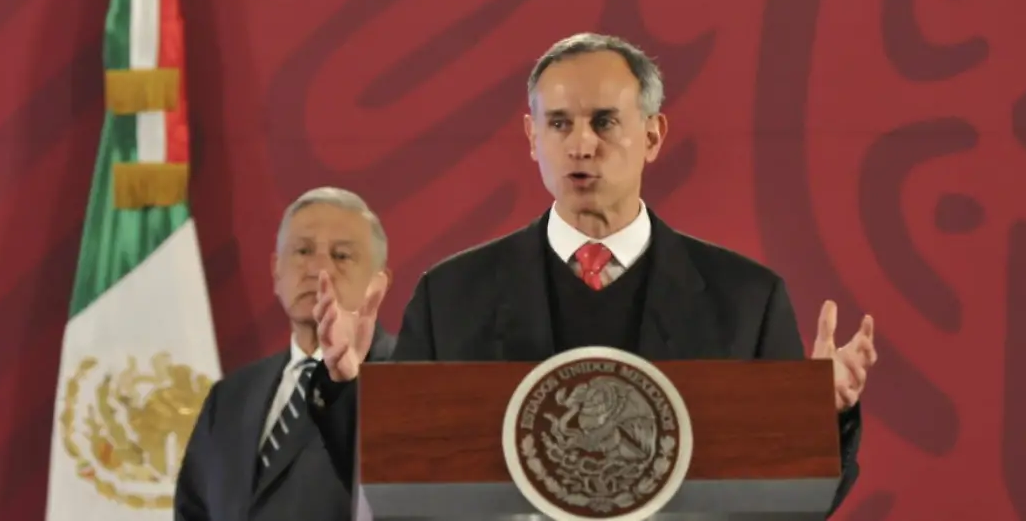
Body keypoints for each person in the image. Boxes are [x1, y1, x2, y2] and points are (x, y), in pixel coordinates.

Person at [309, 33, 878, 515]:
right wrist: (346, 387)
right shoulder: (451, 296)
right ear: (533, 139)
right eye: (559, 123)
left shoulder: (747, 299)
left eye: (605, 122)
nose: (581, 145)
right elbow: (398, 488)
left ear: (652, 136)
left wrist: (823, 419)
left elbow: (789, 505)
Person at [174, 187, 397, 521]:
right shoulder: (230, 396)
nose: (318, 270)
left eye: (341, 256)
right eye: (303, 251)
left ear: (379, 284)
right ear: (276, 271)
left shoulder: (406, 378)